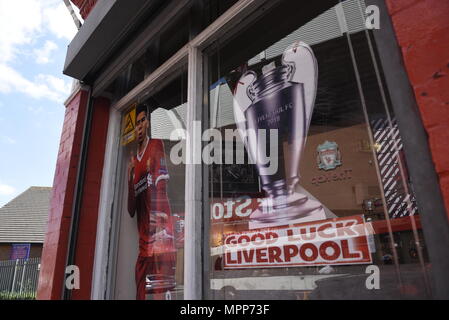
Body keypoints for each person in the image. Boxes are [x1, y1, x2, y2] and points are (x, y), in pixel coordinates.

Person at [127, 103, 175, 300]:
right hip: (143, 242)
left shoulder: (155, 145)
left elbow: (161, 187)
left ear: (148, 123)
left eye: (142, 121)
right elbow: (131, 210)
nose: (139, 127)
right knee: (140, 287)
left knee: (160, 291)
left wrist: (161, 227)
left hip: (159, 235)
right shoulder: (133, 162)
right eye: (135, 124)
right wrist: (130, 176)